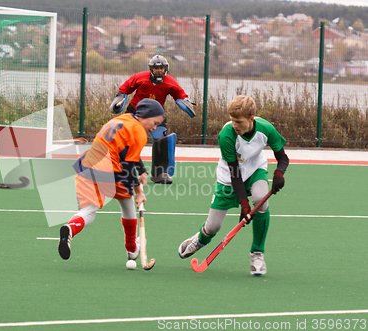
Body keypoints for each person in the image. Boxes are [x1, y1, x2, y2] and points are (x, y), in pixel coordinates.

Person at [178, 95, 289, 275]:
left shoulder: (266, 129)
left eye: (238, 121)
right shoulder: (226, 135)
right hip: (229, 178)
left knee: (261, 200)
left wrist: (279, 173)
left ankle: (257, 253)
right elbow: (235, 174)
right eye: (232, 121)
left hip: (255, 170)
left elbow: (282, 157)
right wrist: (244, 204)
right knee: (213, 227)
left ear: (251, 119)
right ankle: (200, 239)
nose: (234, 125)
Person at [59, 99, 165, 263]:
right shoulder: (139, 132)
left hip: (87, 166)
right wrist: (138, 192)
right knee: (128, 205)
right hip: (109, 171)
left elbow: (128, 150)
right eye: (155, 122)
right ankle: (131, 248)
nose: (155, 127)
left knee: (88, 212)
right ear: (146, 115)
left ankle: (70, 229)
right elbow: (129, 165)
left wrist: (143, 171)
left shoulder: (123, 119)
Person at [110, 55, 195, 184]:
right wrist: (119, 99)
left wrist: (185, 100)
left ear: (166, 69)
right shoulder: (140, 77)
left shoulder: (170, 81)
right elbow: (125, 88)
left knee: (161, 140)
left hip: (156, 114)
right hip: (135, 112)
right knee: (127, 139)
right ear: (151, 69)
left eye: (161, 68)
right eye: (156, 68)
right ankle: (122, 170)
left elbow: (179, 94)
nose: (159, 71)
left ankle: (160, 173)